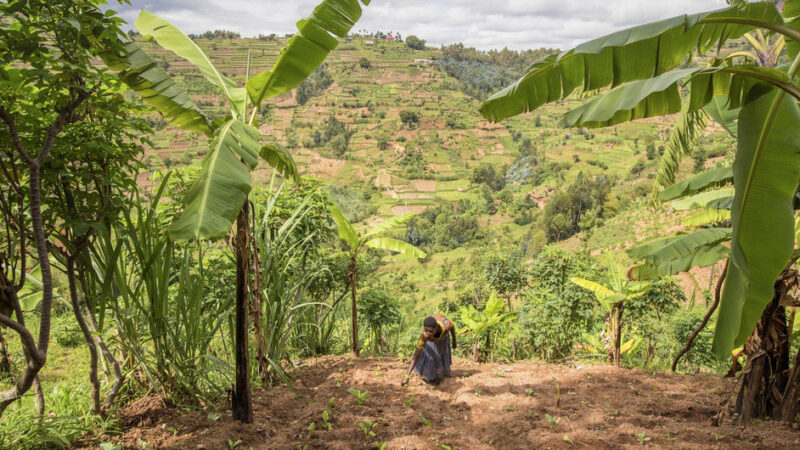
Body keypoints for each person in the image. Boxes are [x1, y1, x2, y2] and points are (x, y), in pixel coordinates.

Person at [401, 314, 457, 386]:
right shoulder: (424, 336)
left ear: (436, 328)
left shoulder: (446, 326)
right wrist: (407, 376)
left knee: (441, 353)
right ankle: (431, 377)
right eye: (425, 330)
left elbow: (452, 327)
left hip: (442, 336)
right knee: (430, 356)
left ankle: (442, 374)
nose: (428, 333)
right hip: (431, 339)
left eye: (430, 331)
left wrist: (454, 341)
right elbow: (416, 355)